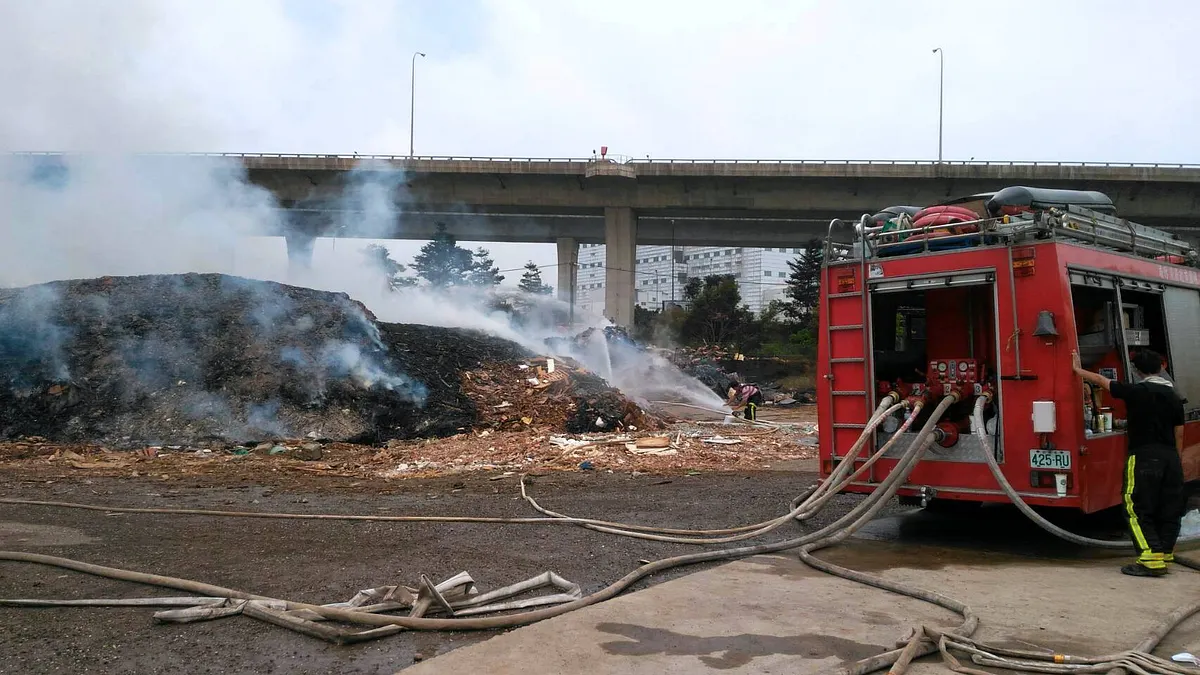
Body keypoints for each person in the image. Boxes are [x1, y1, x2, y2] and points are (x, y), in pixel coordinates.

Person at [1072, 348, 1186, 577]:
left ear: (1136, 370)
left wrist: (1077, 370)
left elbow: (1104, 382)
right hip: (1170, 458)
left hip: (1143, 457)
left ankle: (1150, 559)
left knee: (1136, 506)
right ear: (1161, 367)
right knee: (1169, 508)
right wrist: (1176, 460)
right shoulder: (1174, 397)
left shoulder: (1136, 391)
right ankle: (1163, 554)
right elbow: (1179, 432)